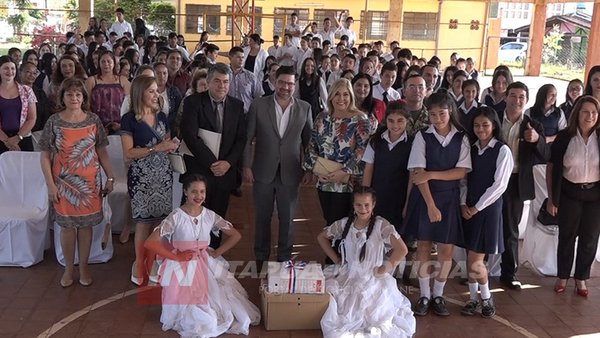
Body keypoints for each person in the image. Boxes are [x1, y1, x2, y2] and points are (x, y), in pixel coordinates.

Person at [144, 174, 260, 336]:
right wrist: (176, 257)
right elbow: (150, 242)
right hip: (183, 266)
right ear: (185, 192)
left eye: (202, 192)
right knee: (197, 311)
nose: (199, 196)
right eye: (194, 192)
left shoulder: (210, 215)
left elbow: (236, 235)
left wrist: (218, 252)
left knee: (220, 300)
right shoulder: (176, 217)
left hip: (205, 262)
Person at [39, 78, 115, 287]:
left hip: (89, 185)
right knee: (66, 228)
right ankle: (68, 269)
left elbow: (102, 151)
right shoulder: (53, 121)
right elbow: (44, 155)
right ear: (62, 97)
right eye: (70, 94)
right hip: (62, 185)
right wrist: (50, 185)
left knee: (85, 227)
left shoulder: (93, 120)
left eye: (78, 94)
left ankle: (83, 267)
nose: (74, 98)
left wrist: (109, 176)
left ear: (84, 97)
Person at [403, 91, 471, 317]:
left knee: (446, 248)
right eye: (432, 114)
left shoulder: (462, 137)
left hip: (449, 198)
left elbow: (461, 172)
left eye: (442, 113)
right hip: (425, 198)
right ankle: (424, 295)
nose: (438, 119)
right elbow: (417, 174)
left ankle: (438, 294)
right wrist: (431, 205)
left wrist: (432, 175)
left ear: (450, 111)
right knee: (423, 245)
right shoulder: (423, 136)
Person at [317, 186, 416, 338]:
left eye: (367, 205)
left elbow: (402, 249)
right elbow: (321, 237)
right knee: (341, 306)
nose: (363, 209)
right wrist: (336, 259)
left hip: (373, 276)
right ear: (353, 205)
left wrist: (384, 268)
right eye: (358, 205)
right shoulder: (344, 224)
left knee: (373, 313)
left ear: (373, 205)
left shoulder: (381, 225)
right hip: (348, 274)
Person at [243, 65, 313, 265]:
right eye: (282, 82)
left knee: (287, 220)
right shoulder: (259, 105)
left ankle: (284, 260)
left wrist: (308, 169)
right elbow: (249, 138)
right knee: (262, 219)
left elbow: (308, 143)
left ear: (295, 85)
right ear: (274, 81)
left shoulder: (304, 108)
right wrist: (247, 166)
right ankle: (261, 260)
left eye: (290, 83)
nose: (285, 87)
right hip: (262, 171)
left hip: (291, 173)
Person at [120, 75, 179, 285]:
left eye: (157, 91)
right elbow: (128, 152)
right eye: (151, 91)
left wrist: (172, 145)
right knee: (143, 223)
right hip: (141, 177)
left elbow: (167, 141)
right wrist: (156, 148)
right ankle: (138, 262)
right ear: (140, 93)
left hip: (162, 175)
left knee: (160, 222)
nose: (156, 95)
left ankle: (153, 260)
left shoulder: (162, 116)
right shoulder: (129, 120)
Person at [180, 63, 246, 248]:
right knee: (192, 219)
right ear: (208, 82)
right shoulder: (193, 102)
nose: (221, 86)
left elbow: (241, 139)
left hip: (224, 174)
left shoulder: (237, 106)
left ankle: (211, 258)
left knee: (216, 220)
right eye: (217, 81)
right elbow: (190, 137)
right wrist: (213, 163)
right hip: (199, 171)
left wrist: (228, 163)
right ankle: (189, 258)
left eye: (225, 82)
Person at [459, 106, 513, 318]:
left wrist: (476, 207)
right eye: (477, 125)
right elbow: (463, 180)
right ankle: (473, 299)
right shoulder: (470, 149)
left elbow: (499, 185)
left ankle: (486, 298)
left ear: (494, 126)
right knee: (470, 257)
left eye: (485, 125)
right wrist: (464, 204)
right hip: (469, 208)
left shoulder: (502, 150)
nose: (481, 129)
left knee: (475, 259)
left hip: (487, 210)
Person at [546, 95, 600, 298]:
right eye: (586, 112)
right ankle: (562, 276)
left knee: (590, 238)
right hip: (570, 193)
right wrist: (552, 199)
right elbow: (552, 168)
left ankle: (581, 277)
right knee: (567, 236)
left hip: (595, 195)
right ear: (577, 114)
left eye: (594, 112)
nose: (590, 116)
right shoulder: (564, 137)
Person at [498, 82, 549, 290]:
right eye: (513, 95)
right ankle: (477, 270)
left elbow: (546, 154)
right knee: (484, 224)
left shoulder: (533, 125)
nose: (516, 100)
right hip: (490, 181)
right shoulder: (492, 118)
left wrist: (536, 140)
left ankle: (508, 273)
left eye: (521, 96)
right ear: (506, 97)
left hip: (515, 182)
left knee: (510, 229)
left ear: (526, 100)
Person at [303, 78, 371, 231]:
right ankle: (333, 253)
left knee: (344, 223)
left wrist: (344, 171)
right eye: (337, 94)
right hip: (324, 180)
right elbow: (312, 144)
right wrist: (315, 169)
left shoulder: (360, 119)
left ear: (351, 97)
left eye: (346, 94)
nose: (341, 99)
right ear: (331, 96)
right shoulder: (322, 117)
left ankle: (338, 254)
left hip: (348, 182)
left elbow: (362, 149)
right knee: (329, 220)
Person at [362, 101, 413, 230]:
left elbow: (412, 176)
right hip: (377, 196)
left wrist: (408, 203)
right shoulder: (375, 141)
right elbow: (368, 169)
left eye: (400, 120)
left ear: (407, 120)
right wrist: (365, 199)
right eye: (391, 120)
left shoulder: (413, 143)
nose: (395, 125)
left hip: (399, 199)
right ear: (386, 120)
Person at [86, 50, 130, 135]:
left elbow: (129, 104)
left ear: (114, 63)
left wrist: (122, 124)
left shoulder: (123, 80)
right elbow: (86, 104)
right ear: (99, 63)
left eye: (109, 61)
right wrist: (97, 124)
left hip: (120, 125)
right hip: (96, 126)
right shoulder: (91, 81)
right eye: (103, 61)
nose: (106, 64)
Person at [0, 56, 37, 154]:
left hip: (23, 138)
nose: (10, 71)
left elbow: (32, 118)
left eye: (12, 68)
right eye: (6, 68)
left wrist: (17, 138)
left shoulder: (27, 90)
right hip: (1, 139)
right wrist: (7, 141)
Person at [19, 62, 49, 133]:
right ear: (20, 73)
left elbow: (45, 113)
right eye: (28, 72)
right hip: (17, 132)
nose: (32, 75)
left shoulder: (40, 93)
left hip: (37, 132)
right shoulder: (14, 91)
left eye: (35, 73)